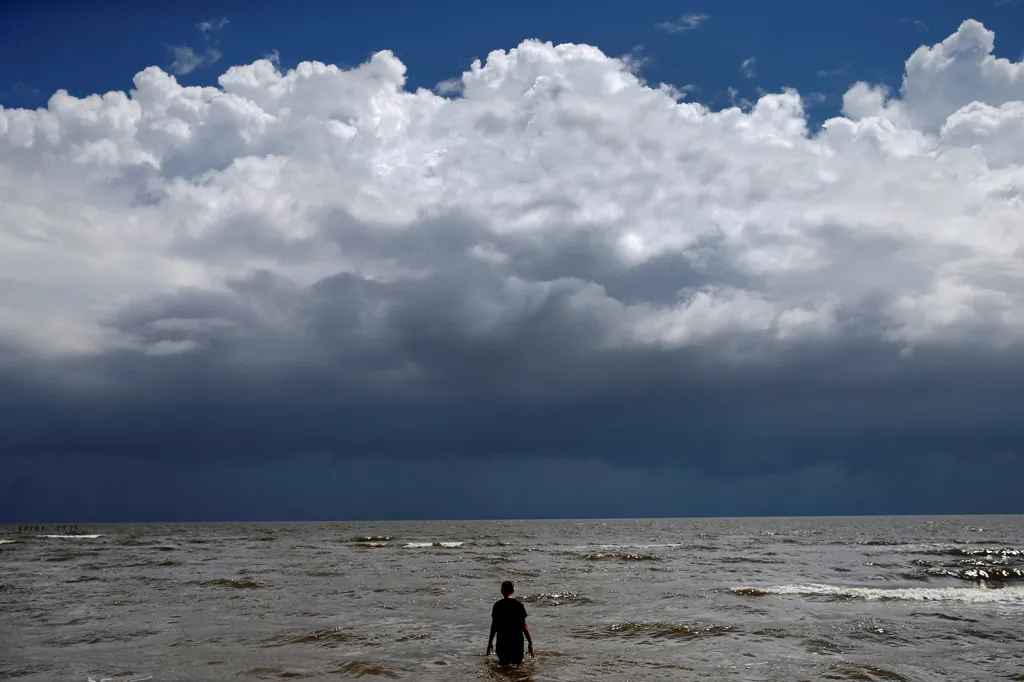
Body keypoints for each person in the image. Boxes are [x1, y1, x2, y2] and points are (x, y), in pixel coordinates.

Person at [487, 580, 534, 665]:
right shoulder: (518, 605)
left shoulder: (497, 605)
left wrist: (490, 643)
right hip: (516, 642)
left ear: (501, 591)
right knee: (518, 667)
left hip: (502, 641)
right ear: (513, 591)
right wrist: (530, 643)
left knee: (503, 666)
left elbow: (494, 626)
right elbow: (524, 625)